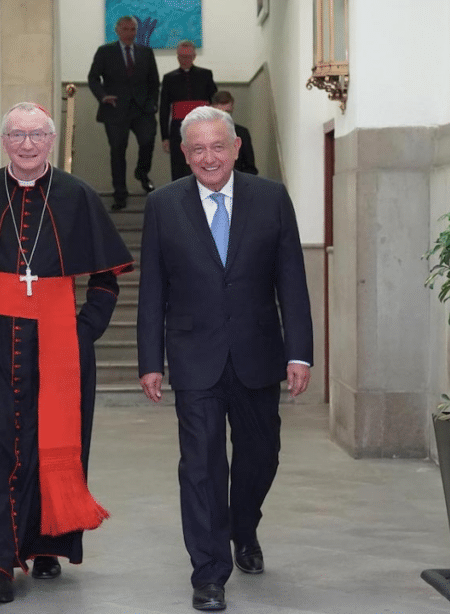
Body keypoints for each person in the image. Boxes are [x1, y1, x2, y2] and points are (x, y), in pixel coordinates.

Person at [0, 102, 134, 604]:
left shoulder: (78, 196)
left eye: (36, 135)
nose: (27, 144)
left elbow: (106, 281)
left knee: (52, 442)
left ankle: (46, 539)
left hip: (59, 340)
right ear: (4, 141)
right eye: (17, 135)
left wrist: (82, 330)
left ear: (50, 140)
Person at [136, 106, 313, 611]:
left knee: (261, 456)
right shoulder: (163, 205)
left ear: (236, 147)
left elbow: (292, 283)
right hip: (194, 356)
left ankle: (244, 526)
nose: (209, 157)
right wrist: (152, 359)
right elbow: (153, 289)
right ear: (184, 155)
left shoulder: (271, 198)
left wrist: (300, 353)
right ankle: (209, 573)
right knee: (201, 465)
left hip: (259, 353)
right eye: (198, 149)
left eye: (218, 146)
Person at [88, 15, 160, 210]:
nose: (130, 34)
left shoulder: (146, 52)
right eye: (126, 29)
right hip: (115, 110)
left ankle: (142, 173)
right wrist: (103, 96)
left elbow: (154, 81)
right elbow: (93, 78)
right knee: (118, 151)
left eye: (133, 30)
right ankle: (120, 194)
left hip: (142, 109)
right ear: (118, 30)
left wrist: (153, 103)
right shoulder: (105, 52)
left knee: (148, 140)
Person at [159, 41, 217, 181]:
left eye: (188, 57)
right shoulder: (169, 78)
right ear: (177, 57)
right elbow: (164, 108)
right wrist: (165, 137)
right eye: (181, 57)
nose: (185, 60)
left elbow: (214, 102)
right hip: (178, 128)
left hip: (202, 126)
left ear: (194, 56)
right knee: (179, 165)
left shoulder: (206, 75)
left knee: (202, 161)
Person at [211, 91, 258, 175]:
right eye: (220, 113)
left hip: (236, 183)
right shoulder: (203, 134)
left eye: (227, 112)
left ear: (232, 108)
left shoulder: (242, 133)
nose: (224, 116)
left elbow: (250, 167)